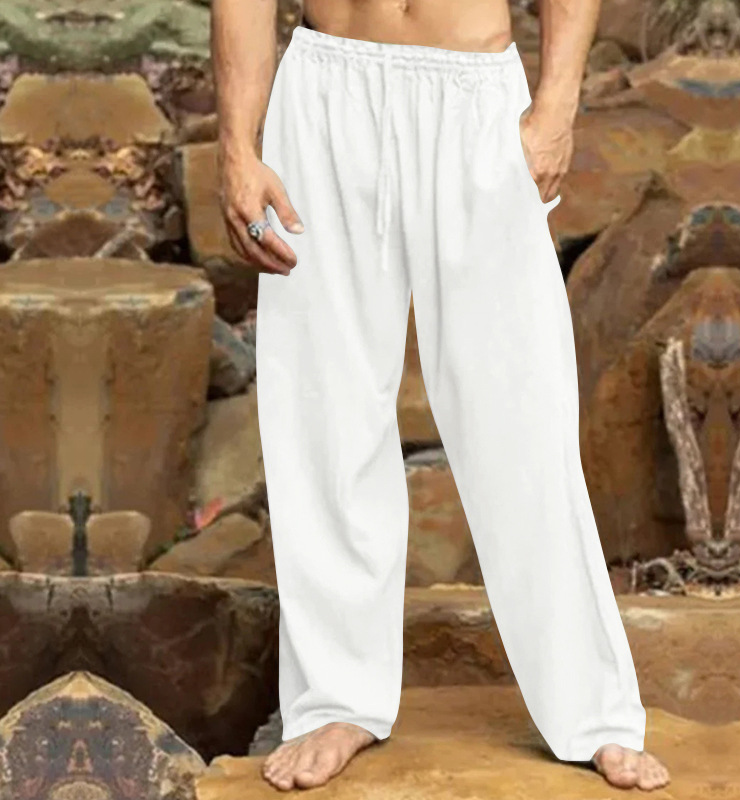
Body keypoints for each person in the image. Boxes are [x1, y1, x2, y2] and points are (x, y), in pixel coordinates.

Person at [212, 0, 671, 792]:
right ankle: (337, 700)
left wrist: (556, 107)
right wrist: (237, 148)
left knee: (521, 415)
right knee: (324, 410)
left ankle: (590, 708)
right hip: (324, 90)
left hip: (475, 99)